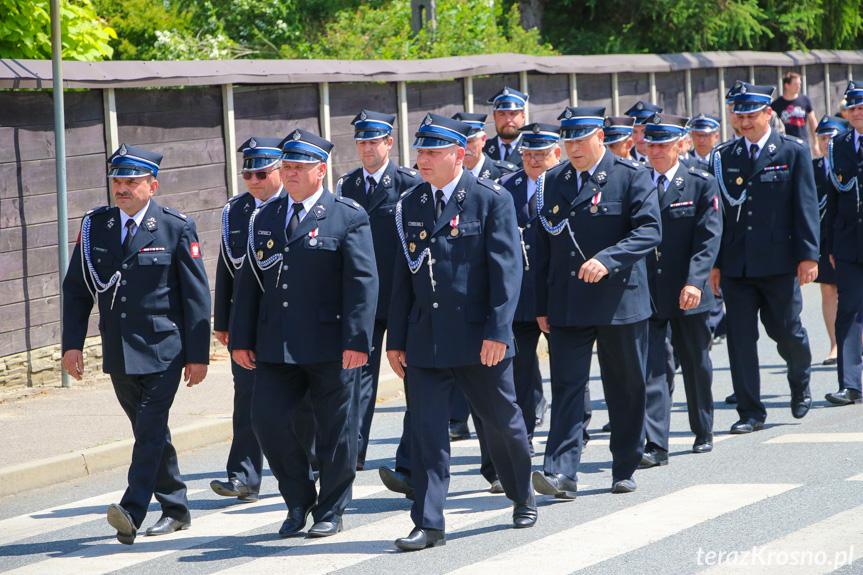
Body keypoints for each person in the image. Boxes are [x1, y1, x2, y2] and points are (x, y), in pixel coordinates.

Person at [387, 113, 536, 551]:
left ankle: (521, 492)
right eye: (420, 152)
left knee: (502, 424)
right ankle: (429, 521)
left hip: (479, 338)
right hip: (425, 338)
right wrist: (395, 340)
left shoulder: (490, 199)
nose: (423, 160)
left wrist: (499, 331)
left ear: (458, 155)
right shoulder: (410, 203)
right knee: (427, 433)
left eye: (433, 152)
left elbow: (508, 272)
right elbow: (402, 279)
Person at [231, 129, 378, 538]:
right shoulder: (266, 216)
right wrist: (241, 338)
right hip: (275, 343)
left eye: (298, 167)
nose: (290, 174)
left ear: (321, 169)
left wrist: (357, 341)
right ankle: (298, 499)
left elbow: (362, 284)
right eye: (287, 167)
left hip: (330, 345)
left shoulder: (347, 214)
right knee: (266, 421)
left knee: (336, 432)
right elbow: (249, 284)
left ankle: (330, 509)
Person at [61, 144, 211, 545]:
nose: (122, 189)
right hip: (120, 350)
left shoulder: (175, 226)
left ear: (152, 185)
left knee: (148, 429)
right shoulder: (98, 226)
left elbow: (196, 297)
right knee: (150, 431)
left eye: (132, 181)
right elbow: (77, 289)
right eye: (118, 181)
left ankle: (132, 509)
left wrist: (198, 356)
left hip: (166, 350)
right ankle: (177, 508)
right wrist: (71, 345)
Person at [533, 106, 661, 498]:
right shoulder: (552, 181)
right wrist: (541, 303)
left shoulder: (630, 176)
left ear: (599, 137)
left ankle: (624, 465)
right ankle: (561, 473)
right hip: (569, 303)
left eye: (579, 139)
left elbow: (650, 230)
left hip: (619, 302)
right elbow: (543, 249)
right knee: (568, 387)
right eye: (566, 139)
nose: (572, 147)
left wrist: (607, 260)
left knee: (625, 387)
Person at [709, 82, 819, 433]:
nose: (743, 123)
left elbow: (805, 206)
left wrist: (808, 256)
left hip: (779, 262)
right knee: (740, 340)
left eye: (750, 116)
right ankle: (750, 411)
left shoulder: (792, 151)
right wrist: (713, 262)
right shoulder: (724, 156)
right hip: (736, 265)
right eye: (737, 116)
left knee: (787, 331)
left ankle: (800, 380)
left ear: (768, 114)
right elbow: (716, 216)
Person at [467, 122, 563, 493]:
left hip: (556, 292)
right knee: (515, 373)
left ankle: (575, 429)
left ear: (557, 153)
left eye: (541, 153)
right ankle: (516, 442)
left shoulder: (564, 185)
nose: (534, 160)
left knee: (565, 366)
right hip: (518, 295)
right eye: (528, 154)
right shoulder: (505, 187)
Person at [336, 110, 423, 474]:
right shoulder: (346, 186)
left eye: (374, 141)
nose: (367, 148)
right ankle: (352, 454)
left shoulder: (410, 183)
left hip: (403, 297)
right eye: (361, 142)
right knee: (356, 378)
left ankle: (408, 461)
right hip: (362, 300)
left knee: (416, 379)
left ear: (389, 142)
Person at [640, 114, 723, 466]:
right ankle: (656, 443)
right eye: (650, 144)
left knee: (695, 361)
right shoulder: (638, 181)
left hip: (688, 288)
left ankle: (703, 428)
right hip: (648, 290)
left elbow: (708, 238)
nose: (655, 151)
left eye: (663, 144)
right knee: (653, 367)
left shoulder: (700, 183)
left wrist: (695, 280)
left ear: (682, 145)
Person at [211, 137, 287, 503]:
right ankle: (243, 476)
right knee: (247, 398)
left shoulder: (296, 205)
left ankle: (315, 466)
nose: (254, 180)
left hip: (291, 320)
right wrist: (223, 321)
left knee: (302, 401)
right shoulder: (235, 211)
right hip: (249, 322)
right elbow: (226, 270)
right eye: (247, 174)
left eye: (261, 172)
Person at [446, 111, 518, 442]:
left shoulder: (498, 184)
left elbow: (505, 264)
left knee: (495, 408)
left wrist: (499, 326)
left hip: (485, 312)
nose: (469, 145)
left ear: (481, 140)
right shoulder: (423, 192)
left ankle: (500, 470)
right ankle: (413, 471)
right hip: (446, 313)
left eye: (472, 139)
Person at [824, 82, 863, 406]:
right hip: (849, 241)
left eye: (862, 107)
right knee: (847, 310)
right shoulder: (837, 145)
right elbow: (833, 199)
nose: (857, 113)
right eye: (853, 108)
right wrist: (830, 245)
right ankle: (850, 384)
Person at [812, 115, 850, 366]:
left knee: (853, 289)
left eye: (831, 137)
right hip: (822, 238)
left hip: (848, 235)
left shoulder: (850, 160)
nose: (827, 142)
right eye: (822, 138)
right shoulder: (810, 167)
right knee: (829, 290)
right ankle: (835, 344)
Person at [454, 112, 519, 180]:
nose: (464, 148)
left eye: (469, 142)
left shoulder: (506, 174)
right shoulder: (448, 175)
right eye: (459, 143)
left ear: (483, 140)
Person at [771, 72, 820, 157]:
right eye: (796, 84)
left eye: (799, 84)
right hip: (785, 144)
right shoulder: (777, 104)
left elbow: (812, 121)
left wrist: (816, 143)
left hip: (802, 142)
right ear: (787, 85)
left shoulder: (805, 100)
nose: (799, 86)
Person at [483, 86, 528, 168]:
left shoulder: (533, 150)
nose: (507, 120)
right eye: (501, 114)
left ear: (523, 116)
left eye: (513, 113)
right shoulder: (484, 150)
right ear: (494, 117)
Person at [624, 100, 663, 166]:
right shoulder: (624, 160)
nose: (639, 138)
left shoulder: (667, 159)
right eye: (634, 131)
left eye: (644, 131)